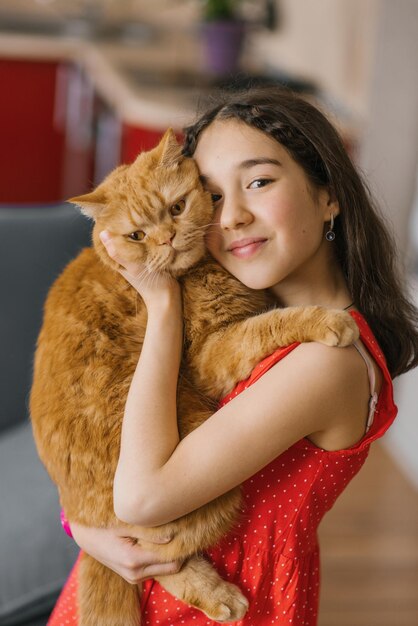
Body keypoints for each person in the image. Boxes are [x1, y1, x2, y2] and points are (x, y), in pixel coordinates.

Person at [47, 87, 418, 626]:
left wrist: (161, 303)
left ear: (328, 194)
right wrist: (80, 524)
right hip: (135, 587)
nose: (232, 217)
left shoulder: (327, 360)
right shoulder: (246, 316)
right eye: (213, 196)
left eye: (260, 181)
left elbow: (142, 498)